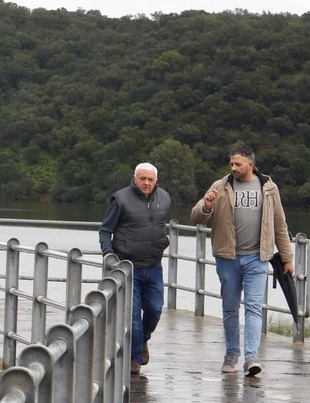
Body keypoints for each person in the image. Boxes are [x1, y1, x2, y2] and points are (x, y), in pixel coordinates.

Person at [191, 145, 293, 376]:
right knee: (229, 308)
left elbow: (280, 224)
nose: (234, 168)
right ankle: (231, 353)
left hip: (258, 258)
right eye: (231, 164)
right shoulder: (220, 186)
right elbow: (197, 216)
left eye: (238, 164)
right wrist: (207, 205)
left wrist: (287, 258)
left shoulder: (268, 187)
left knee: (254, 308)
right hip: (228, 257)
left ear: (251, 165)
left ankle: (251, 357)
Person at [99, 162, 171, 374]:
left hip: (154, 265)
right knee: (133, 319)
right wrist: (109, 254)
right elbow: (105, 231)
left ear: (156, 181)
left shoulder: (164, 198)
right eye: (142, 178)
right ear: (135, 178)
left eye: (150, 179)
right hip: (129, 267)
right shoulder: (120, 199)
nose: (146, 183)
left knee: (155, 310)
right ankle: (134, 360)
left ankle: (142, 342)